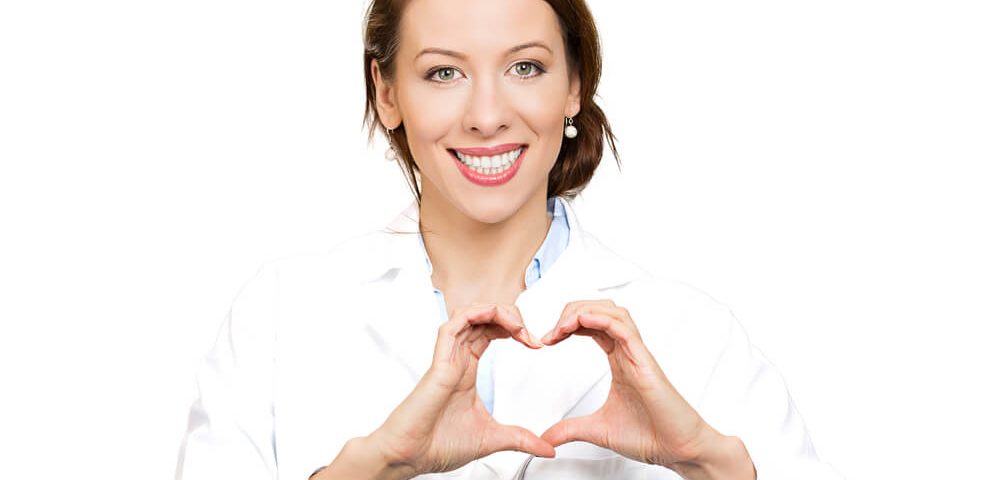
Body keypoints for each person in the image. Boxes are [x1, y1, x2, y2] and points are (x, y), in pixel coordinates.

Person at [176, 0, 843, 479]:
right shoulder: (277, 315)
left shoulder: (695, 335)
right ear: (386, 92)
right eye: (444, 73)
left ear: (575, 84)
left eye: (525, 67)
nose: (488, 116)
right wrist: (371, 469)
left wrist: (708, 463)